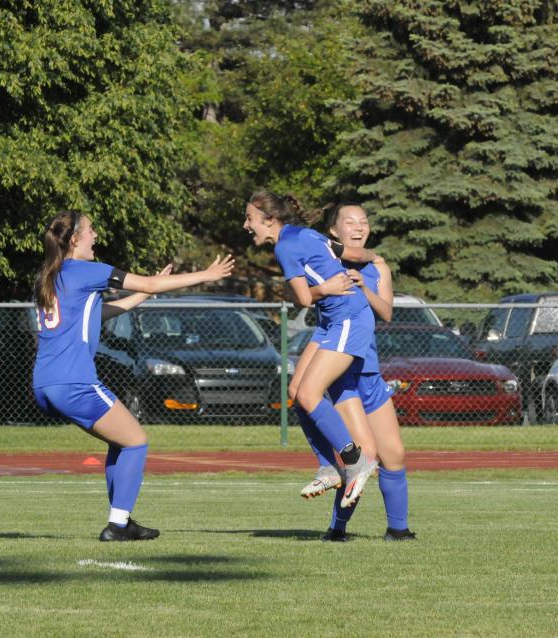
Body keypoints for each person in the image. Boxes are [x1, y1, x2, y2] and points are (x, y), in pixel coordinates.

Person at [32, 210, 234, 541]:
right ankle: (117, 525)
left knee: (121, 441)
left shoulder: (50, 276)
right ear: (74, 240)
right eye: (91, 230)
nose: (96, 236)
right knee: (137, 442)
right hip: (75, 382)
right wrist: (206, 275)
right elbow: (151, 281)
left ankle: (122, 521)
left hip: (44, 384)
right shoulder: (87, 270)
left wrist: (143, 295)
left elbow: (98, 314)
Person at [243, 191, 378, 508]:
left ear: (270, 219)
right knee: (296, 390)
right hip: (333, 321)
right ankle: (329, 467)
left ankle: (355, 460)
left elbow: (303, 299)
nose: (246, 225)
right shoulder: (302, 234)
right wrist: (373, 258)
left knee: (308, 394)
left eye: (250, 218)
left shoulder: (286, 246)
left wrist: (326, 288)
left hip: (349, 318)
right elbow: (345, 253)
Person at [296, 203, 415, 542]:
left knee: (394, 454)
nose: (359, 227)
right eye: (350, 222)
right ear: (334, 232)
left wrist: (365, 287)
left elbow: (387, 312)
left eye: (364, 221)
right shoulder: (325, 261)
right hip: (342, 376)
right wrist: (327, 287)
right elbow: (301, 297)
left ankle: (398, 530)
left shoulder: (379, 268)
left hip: (370, 374)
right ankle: (337, 529)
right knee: (365, 455)